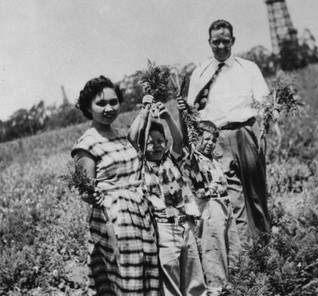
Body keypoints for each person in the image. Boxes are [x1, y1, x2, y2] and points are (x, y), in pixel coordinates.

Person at [186, 19, 273, 245]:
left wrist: (269, 121)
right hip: (217, 141)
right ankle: (245, 256)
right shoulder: (200, 73)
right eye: (216, 42)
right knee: (232, 198)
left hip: (246, 134)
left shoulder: (248, 68)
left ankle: (266, 246)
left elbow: (265, 102)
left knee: (256, 193)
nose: (221, 46)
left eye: (226, 41)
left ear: (233, 40)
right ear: (209, 42)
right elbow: (192, 112)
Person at [71, 76, 159, 295]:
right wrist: (91, 196)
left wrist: (146, 106)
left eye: (113, 102)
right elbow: (84, 189)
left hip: (140, 214)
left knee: (146, 270)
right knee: (124, 278)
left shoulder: (122, 136)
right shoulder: (86, 144)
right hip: (114, 220)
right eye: (101, 103)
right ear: (88, 107)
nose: (108, 108)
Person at [128, 95, 207, 296]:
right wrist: (144, 110)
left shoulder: (171, 160)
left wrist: (167, 116)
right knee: (170, 279)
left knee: (194, 277)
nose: (156, 146)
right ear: (143, 147)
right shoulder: (141, 166)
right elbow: (132, 138)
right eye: (151, 142)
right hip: (163, 227)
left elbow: (179, 139)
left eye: (160, 141)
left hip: (184, 223)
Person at [177, 114, 241, 296]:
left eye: (213, 139)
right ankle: (216, 288)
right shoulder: (192, 158)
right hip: (209, 206)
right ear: (195, 138)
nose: (210, 143)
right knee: (214, 249)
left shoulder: (213, 160)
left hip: (224, 204)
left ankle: (234, 285)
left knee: (232, 247)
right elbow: (195, 188)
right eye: (206, 139)